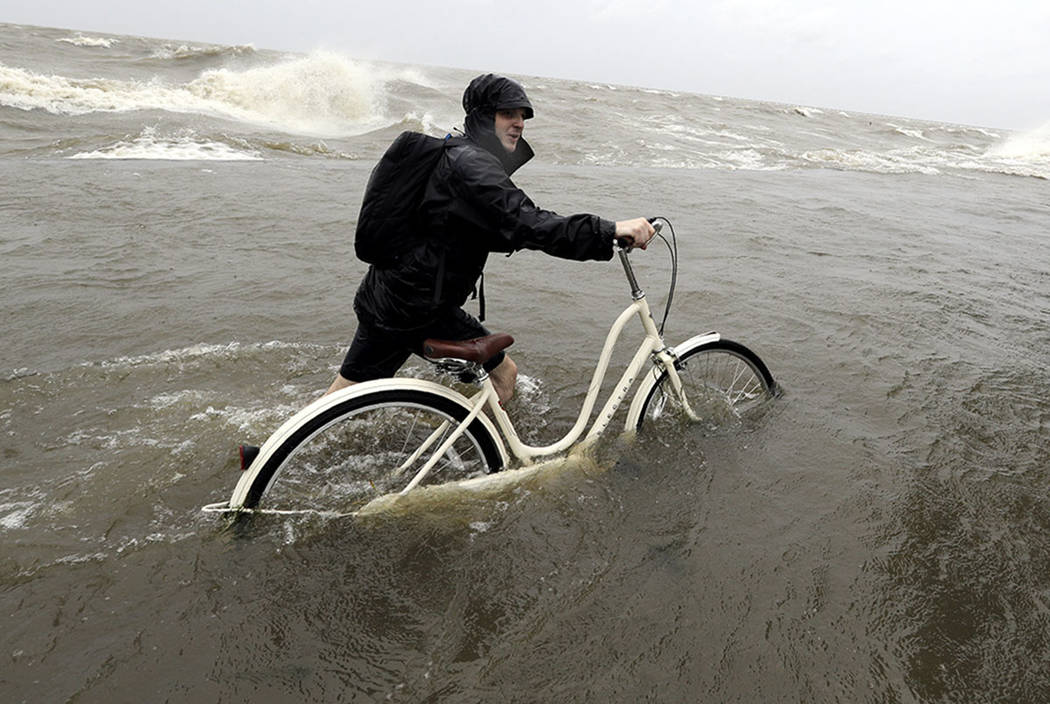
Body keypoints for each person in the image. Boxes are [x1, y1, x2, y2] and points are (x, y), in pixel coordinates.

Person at [326, 73, 655, 404]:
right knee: (505, 374)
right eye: (508, 114)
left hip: (387, 293)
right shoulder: (473, 165)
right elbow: (529, 221)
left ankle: (289, 447)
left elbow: (480, 226)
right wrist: (608, 229)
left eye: (523, 116)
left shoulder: (458, 152)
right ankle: (483, 453)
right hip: (419, 307)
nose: (519, 123)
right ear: (485, 117)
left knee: (345, 396)